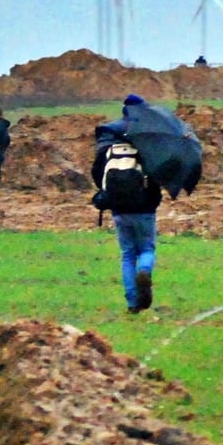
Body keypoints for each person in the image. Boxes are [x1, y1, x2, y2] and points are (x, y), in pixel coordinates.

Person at [92, 94, 163, 313]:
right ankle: (144, 269)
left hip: (119, 208)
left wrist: (109, 195)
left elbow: (97, 173)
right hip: (144, 207)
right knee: (147, 249)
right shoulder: (148, 139)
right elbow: (157, 174)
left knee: (127, 254)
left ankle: (133, 303)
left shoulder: (109, 139)